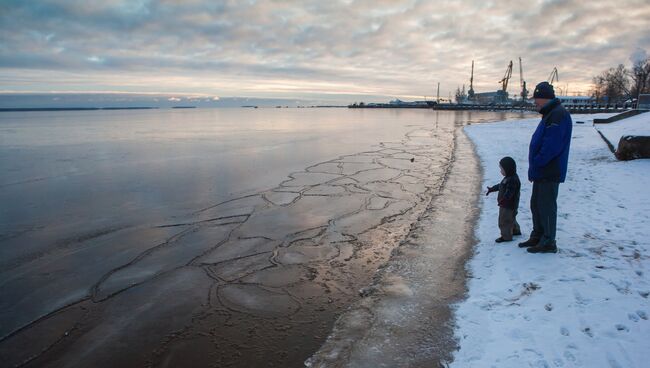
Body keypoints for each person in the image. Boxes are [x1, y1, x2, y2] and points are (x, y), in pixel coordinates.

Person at [519, 82, 572, 253]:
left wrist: (538, 161)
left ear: (544, 97)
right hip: (542, 170)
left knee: (546, 206)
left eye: (536, 99)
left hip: (549, 170)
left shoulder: (557, 115)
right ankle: (538, 235)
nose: (535, 102)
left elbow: (552, 146)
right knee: (536, 204)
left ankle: (548, 241)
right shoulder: (550, 114)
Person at [486, 156, 521, 243]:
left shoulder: (512, 180)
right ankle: (516, 230)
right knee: (511, 218)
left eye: (502, 169)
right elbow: (500, 186)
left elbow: (510, 192)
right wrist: (492, 189)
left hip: (508, 205)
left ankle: (506, 237)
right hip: (508, 205)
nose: (500, 171)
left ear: (508, 169)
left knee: (504, 221)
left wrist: (504, 199)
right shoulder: (509, 178)